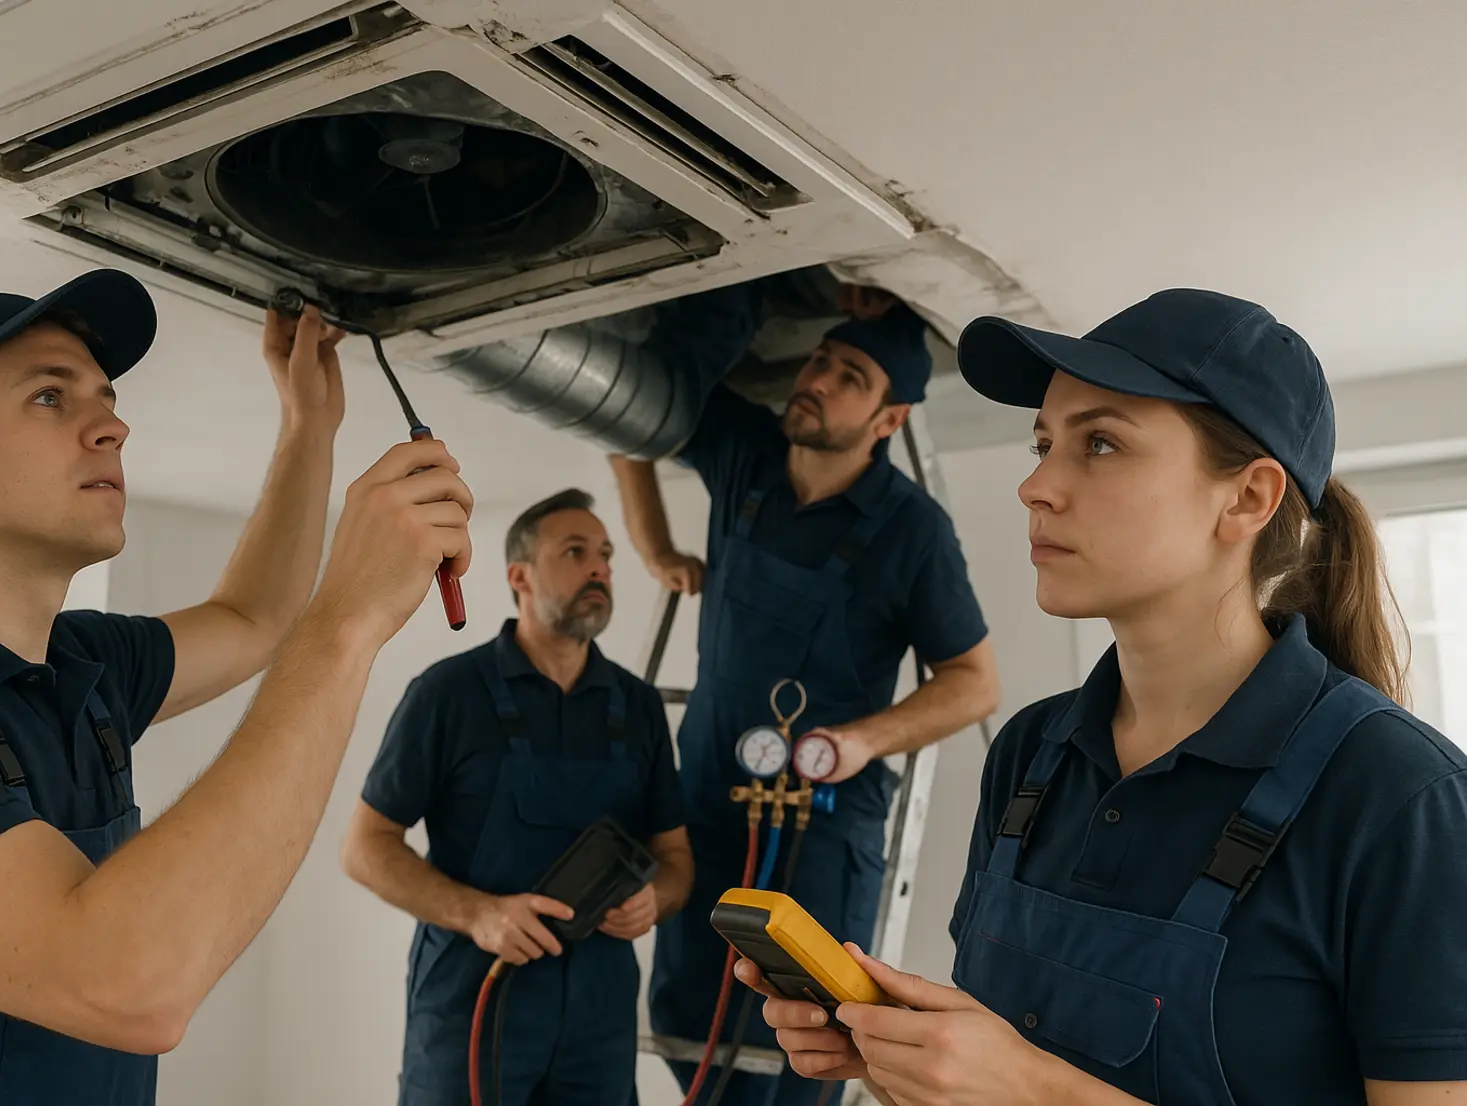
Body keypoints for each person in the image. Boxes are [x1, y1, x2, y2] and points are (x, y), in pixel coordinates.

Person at [744, 288, 1467, 1106]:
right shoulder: (1029, 754)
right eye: (1042, 443)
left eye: (1099, 443)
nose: (1035, 485)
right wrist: (903, 1058)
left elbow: (1022, 1088)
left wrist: (1035, 1090)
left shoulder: (1403, 801)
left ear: (1246, 498)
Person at [0, 270, 473, 1106]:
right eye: (49, 396)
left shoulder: (83, 663)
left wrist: (309, 424)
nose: (113, 426)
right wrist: (346, 622)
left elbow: (253, 617)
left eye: (107, 399)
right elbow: (125, 983)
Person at [608, 282, 1001, 1105]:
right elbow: (625, 412)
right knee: (685, 1011)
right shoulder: (743, 450)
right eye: (820, 359)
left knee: (814, 1036)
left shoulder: (911, 530)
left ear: (888, 420)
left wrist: (860, 741)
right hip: (705, 796)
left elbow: (973, 683)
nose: (816, 379)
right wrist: (653, 548)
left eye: (849, 377)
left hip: (821, 822)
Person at [342, 488, 694, 1106]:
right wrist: (480, 914)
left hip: (600, 1018)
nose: (599, 568)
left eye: (606, 555)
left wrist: (654, 900)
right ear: (519, 577)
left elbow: (676, 860)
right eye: (576, 552)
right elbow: (365, 849)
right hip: (473, 1005)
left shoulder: (638, 706)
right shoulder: (448, 694)